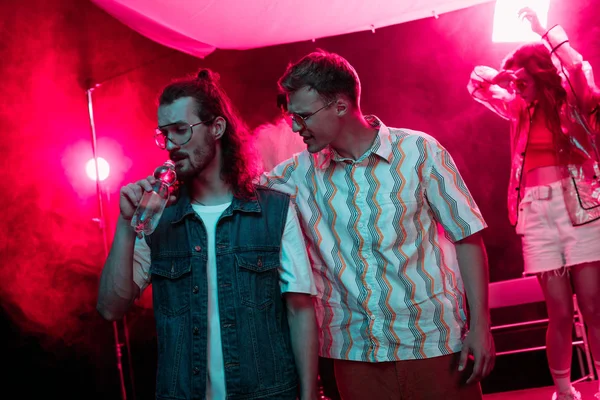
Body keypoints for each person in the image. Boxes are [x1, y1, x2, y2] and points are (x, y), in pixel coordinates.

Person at [260, 49, 495, 399]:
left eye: (303, 116)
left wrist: (481, 326)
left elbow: (468, 239)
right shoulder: (294, 175)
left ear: (340, 105)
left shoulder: (420, 151)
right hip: (355, 355)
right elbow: (231, 192)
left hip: (434, 343)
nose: (295, 127)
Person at [96, 68, 319, 400]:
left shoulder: (274, 211)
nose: (170, 144)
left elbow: (300, 310)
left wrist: (309, 396)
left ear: (216, 128)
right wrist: (126, 226)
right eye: (164, 134)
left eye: (181, 131)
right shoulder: (158, 217)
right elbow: (111, 308)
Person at [468, 8, 600, 400]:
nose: (517, 88)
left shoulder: (573, 97)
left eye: (523, 81)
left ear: (540, 75)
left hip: (580, 208)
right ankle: (564, 389)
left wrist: (543, 31)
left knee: (592, 306)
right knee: (558, 310)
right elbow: (476, 83)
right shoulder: (517, 109)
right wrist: (503, 77)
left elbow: (574, 64)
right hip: (537, 213)